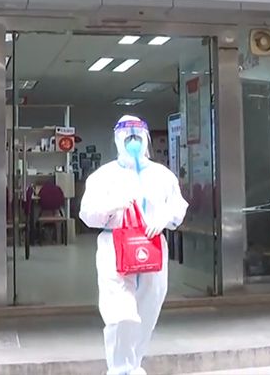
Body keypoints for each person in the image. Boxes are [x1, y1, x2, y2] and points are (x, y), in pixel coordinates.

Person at [80, 115, 189, 375]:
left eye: (137, 135)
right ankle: (119, 369)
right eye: (126, 135)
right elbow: (87, 214)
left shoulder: (162, 175)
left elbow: (178, 205)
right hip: (114, 245)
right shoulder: (103, 176)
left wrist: (164, 217)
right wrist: (111, 206)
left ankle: (134, 364)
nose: (132, 140)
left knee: (149, 308)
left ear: (146, 139)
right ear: (117, 139)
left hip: (152, 245)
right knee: (120, 313)